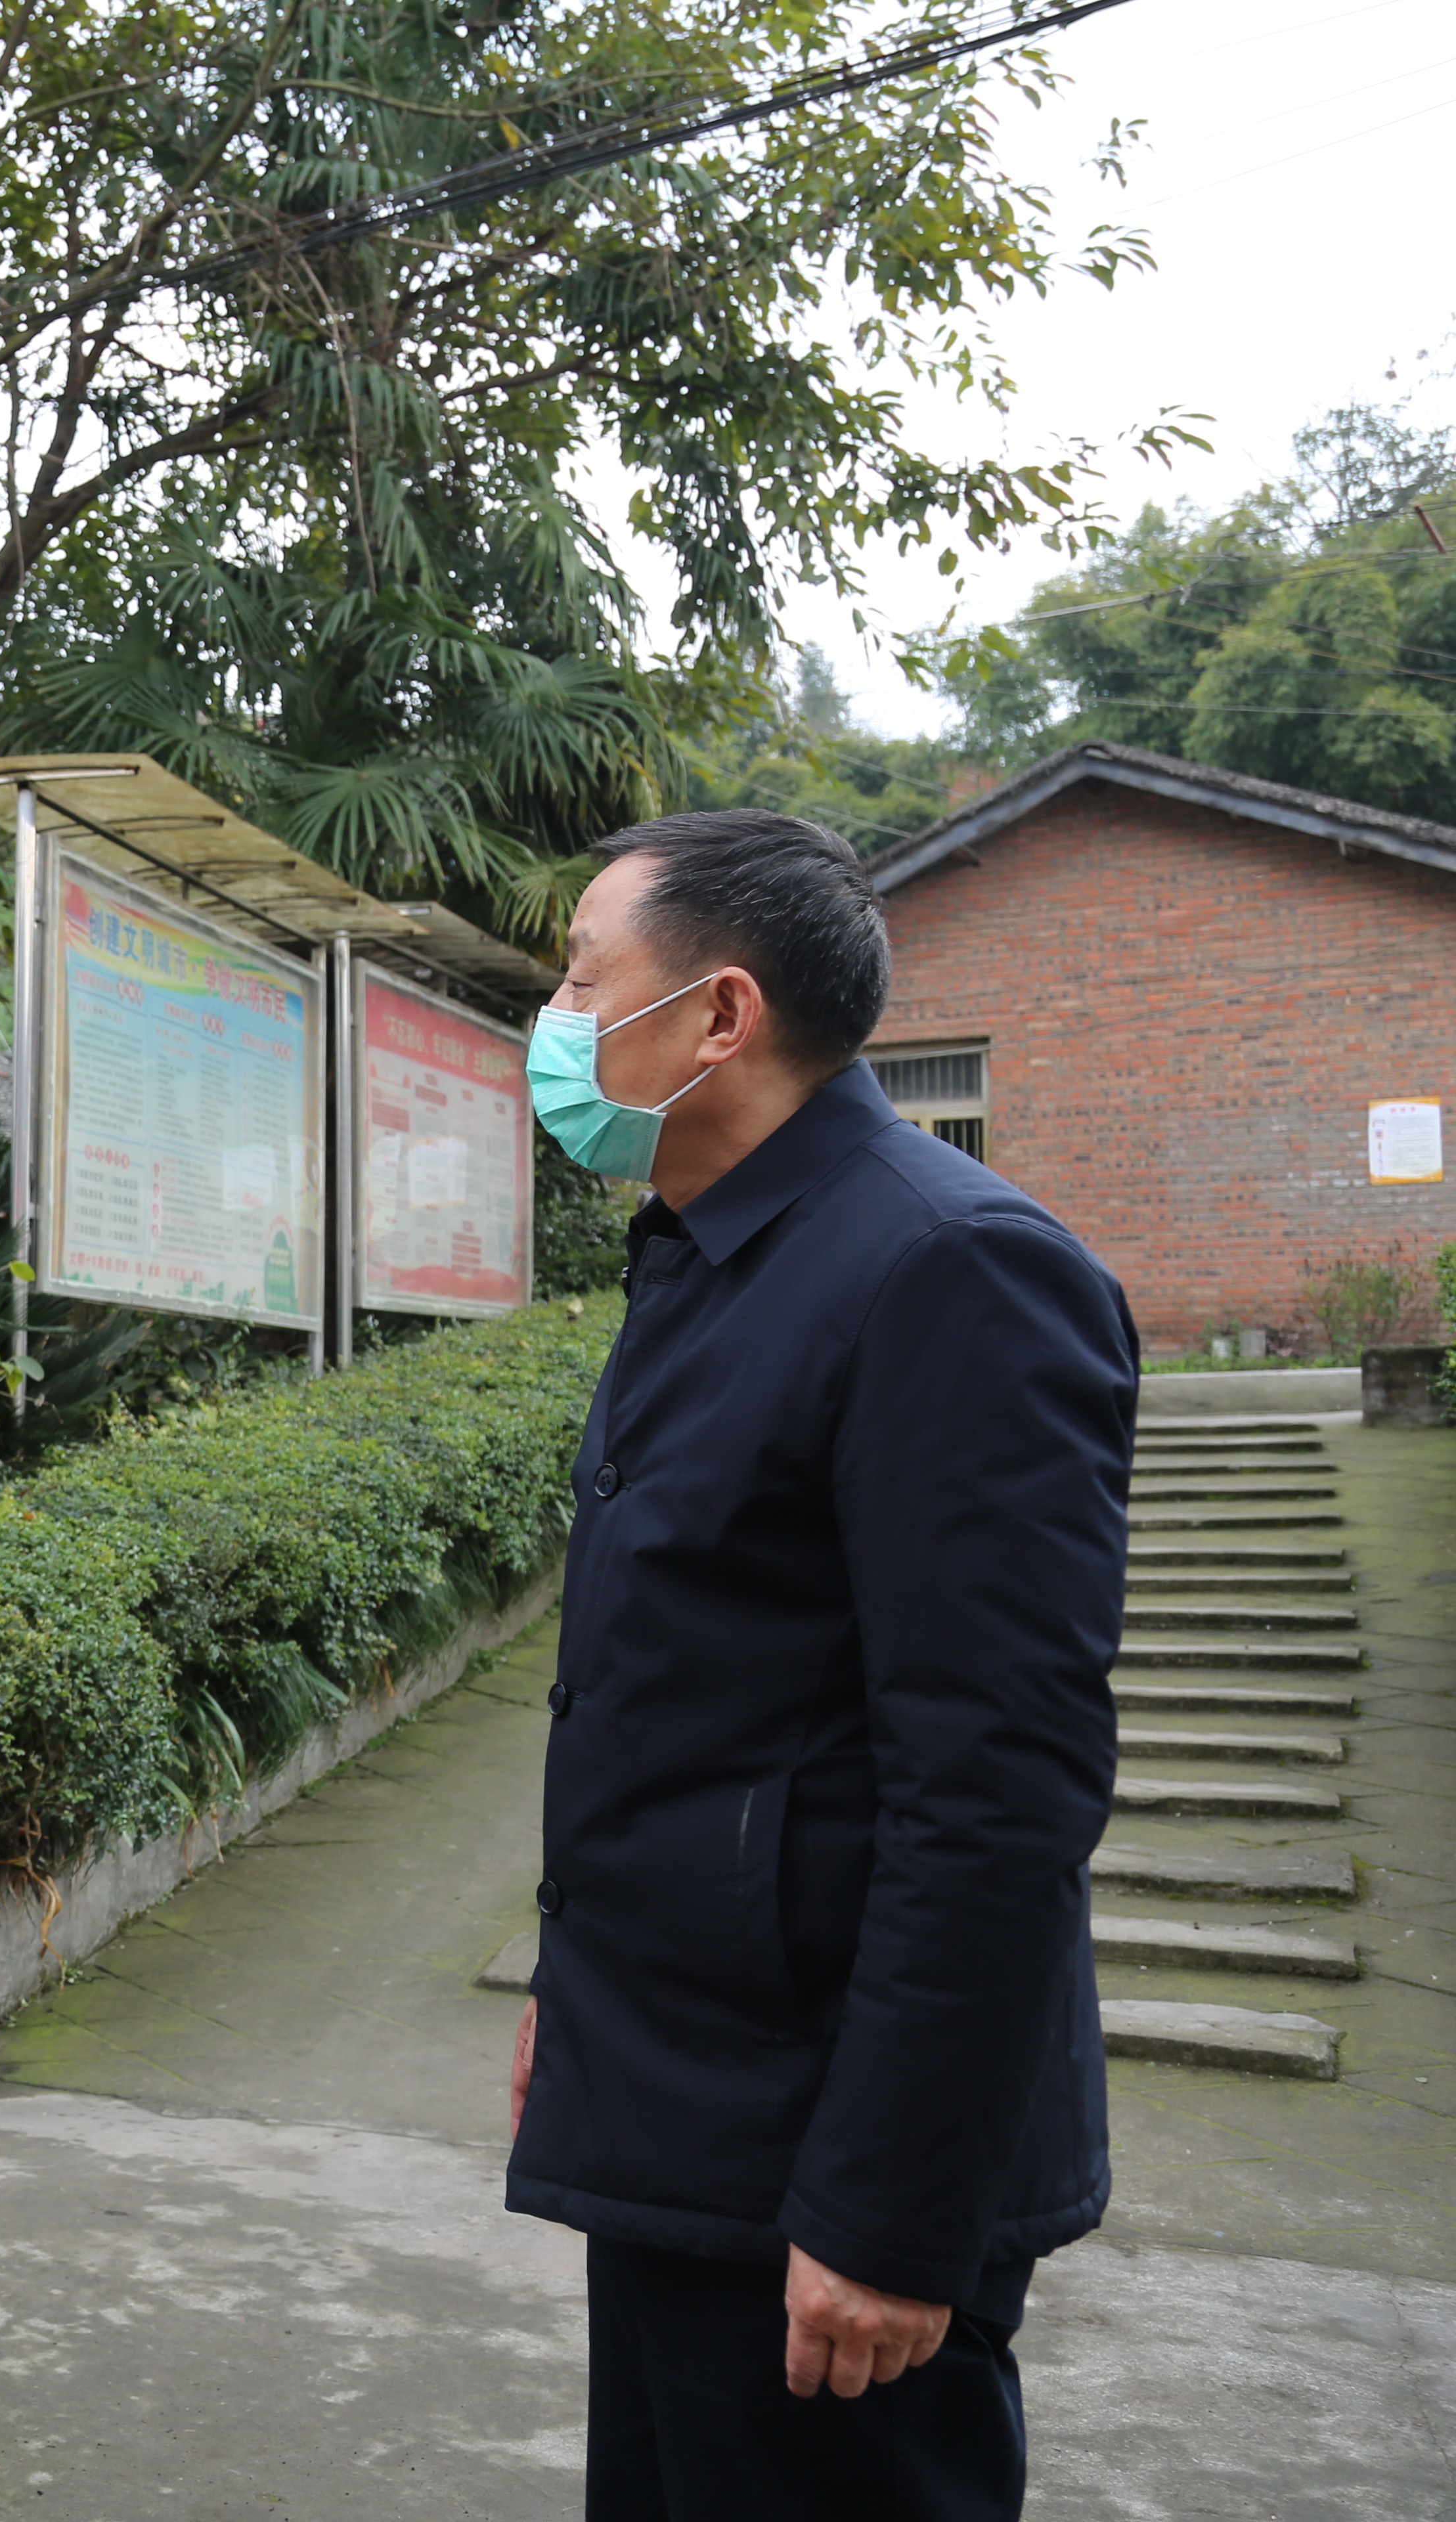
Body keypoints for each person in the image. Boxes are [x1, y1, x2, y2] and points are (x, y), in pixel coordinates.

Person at [505, 812, 1133, 2521]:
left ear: (719, 1016)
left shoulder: (950, 1271)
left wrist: (888, 2215)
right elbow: (697, 1711)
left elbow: (996, 1795)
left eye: (581, 979)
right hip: (681, 2106)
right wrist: (583, 2011)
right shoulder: (715, 1254)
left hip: (824, 2164)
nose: (555, 1022)